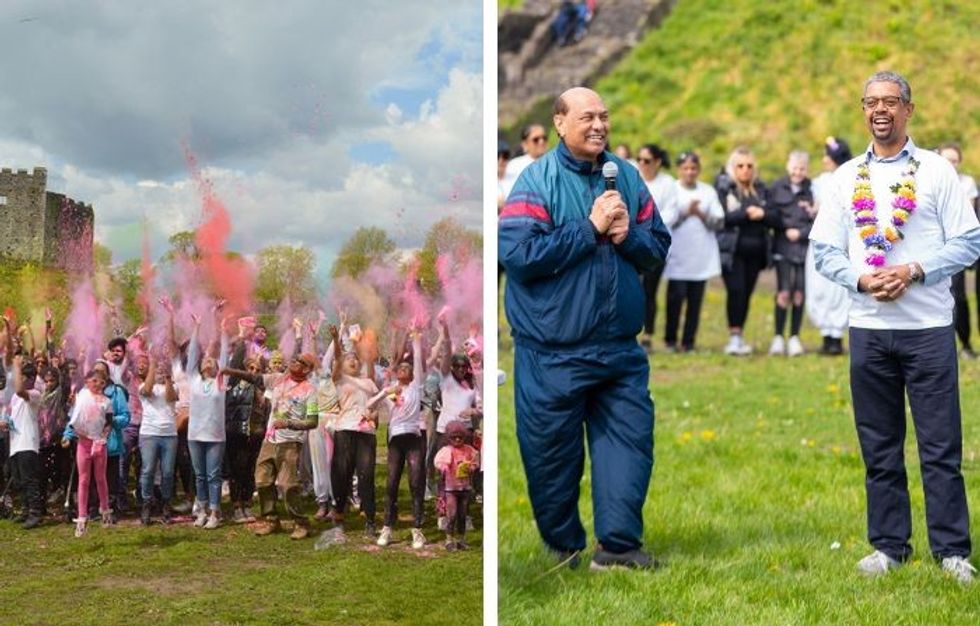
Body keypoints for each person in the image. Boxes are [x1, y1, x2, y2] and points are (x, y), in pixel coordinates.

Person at [811, 71, 980, 582]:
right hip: (868, 328)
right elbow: (824, 250)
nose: (880, 110)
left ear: (909, 109)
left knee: (940, 446)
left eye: (890, 101)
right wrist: (862, 280)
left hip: (928, 328)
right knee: (879, 445)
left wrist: (914, 270)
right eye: (871, 102)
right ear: (863, 110)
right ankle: (888, 546)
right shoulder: (845, 177)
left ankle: (951, 551)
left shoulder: (936, 171)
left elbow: (969, 242)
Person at [499, 86, 671, 569]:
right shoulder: (537, 182)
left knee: (629, 448)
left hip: (619, 350)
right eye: (587, 117)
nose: (599, 126)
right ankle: (564, 547)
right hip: (552, 354)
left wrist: (629, 236)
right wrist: (588, 229)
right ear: (559, 123)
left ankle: (618, 547)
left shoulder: (626, 177)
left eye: (604, 117)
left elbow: (658, 246)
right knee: (551, 459)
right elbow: (518, 255)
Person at [716, 146, 780, 355]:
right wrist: (746, 213)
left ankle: (739, 336)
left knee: (746, 293)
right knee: (736, 291)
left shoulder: (762, 190)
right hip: (732, 252)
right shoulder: (725, 189)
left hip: (756, 253)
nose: (745, 170)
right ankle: (734, 337)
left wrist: (762, 214)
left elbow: (776, 217)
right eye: (740, 166)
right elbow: (722, 218)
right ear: (732, 168)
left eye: (749, 166)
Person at [250, 351, 318, 540]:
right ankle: (271, 519)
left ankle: (301, 523)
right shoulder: (279, 381)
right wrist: (228, 371)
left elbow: (313, 422)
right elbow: (253, 379)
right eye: (294, 358)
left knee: (287, 485)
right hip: (270, 439)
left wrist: (288, 423)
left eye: (300, 361)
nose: (294, 361)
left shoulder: (310, 390)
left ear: (307, 369)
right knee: (262, 480)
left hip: (290, 441)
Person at [660, 151, 723, 352]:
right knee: (674, 300)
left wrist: (700, 213)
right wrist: (686, 213)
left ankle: (689, 342)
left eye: (693, 168)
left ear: (698, 170)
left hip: (700, 257)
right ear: (679, 169)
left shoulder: (708, 191)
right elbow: (664, 221)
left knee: (695, 303)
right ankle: (670, 340)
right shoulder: (672, 190)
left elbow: (719, 222)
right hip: (677, 256)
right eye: (685, 168)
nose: (689, 172)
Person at [376, 328, 427, 549]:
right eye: (401, 368)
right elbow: (371, 404)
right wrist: (385, 392)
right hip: (396, 440)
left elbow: (417, 360)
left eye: (408, 368)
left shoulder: (416, 387)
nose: (405, 369)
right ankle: (387, 527)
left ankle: (417, 529)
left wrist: (415, 338)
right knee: (391, 482)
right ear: (397, 373)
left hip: (414, 439)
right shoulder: (391, 391)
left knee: (416, 482)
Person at [806, 136, 853, 355]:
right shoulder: (818, 182)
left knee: (839, 288)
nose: (824, 159)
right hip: (821, 238)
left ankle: (836, 335)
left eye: (828, 155)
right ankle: (826, 332)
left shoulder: (850, 178)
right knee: (820, 286)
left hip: (842, 240)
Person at [768, 150, 815, 357]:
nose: (798, 172)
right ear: (788, 167)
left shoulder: (812, 189)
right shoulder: (777, 187)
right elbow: (770, 215)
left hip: (804, 248)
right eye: (795, 168)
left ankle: (795, 337)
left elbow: (818, 220)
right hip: (782, 247)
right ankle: (778, 337)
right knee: (784, 292)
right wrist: (785, 228)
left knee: (799, 293)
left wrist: (801, 233)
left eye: (802, 169)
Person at [186, 311, 230, 530]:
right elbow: (192, 354)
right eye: (206, 360)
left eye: (212, 360)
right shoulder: (193, 380)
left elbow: (225, 357)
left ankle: (215, 512)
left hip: (215, 436)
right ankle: (202, 511)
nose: (208, 361)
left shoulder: (221, 381)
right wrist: (197, 327)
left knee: (213, 475)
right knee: (200, 475)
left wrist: (222, 331)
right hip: (195, 434)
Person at [938, 142, 979, 359]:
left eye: (954, 160)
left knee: (959, 296)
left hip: (956, 246)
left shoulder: (966, 183)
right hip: (934, 246)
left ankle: (965, 343)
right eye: (947, 160)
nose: (951, 164)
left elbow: (967, 216)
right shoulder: (930, 180)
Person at [636, 143, 677, 350]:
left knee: (649, 291)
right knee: (632, 289)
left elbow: (671, 213)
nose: (642, 164)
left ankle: (648, 334)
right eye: (639, 159)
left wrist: (647, 221)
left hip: (656, 245)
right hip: (633, 242)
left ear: (657, 162)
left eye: (647, 160)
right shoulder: (633, 178)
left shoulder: (667, 183)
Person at [64, 371, 114, 537]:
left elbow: (109, 422)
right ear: (87, 382)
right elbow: (74, 415)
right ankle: (82, 516)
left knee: (100, 478)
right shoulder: (82, 396)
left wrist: (102, 439)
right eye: (94, 381)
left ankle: (105, 509)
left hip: (99, 443)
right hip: (84, 442)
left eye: (101, 382)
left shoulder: (107, 402)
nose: (97, 384)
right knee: (84, 479)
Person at [0, 355, 43, 529]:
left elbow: (18, 390)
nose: (21, 380)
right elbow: (13, 415)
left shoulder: (34, 394)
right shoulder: (15, 399)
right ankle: (25, 510)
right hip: (15, 443)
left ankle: (35, 512)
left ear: (31, 379)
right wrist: (5, 423)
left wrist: (16, 366)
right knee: (19, 480)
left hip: (27, 443)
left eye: (23, 377)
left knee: (29, 479)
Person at [137, 351, 179, 526]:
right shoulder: (144, 386)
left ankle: (166, 504)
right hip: (149, 434)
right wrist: (153, 365)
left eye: (163, 370)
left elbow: (170, 398)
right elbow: (147, 391)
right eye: (158, 371)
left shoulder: (173, 387)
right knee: (148, 470)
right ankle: (147, 503)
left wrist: (168, 378)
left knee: (168, 472)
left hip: (169, 435)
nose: (160, 372)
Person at [433, 420, 479, 551]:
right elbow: (438, 462)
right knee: (452, 514)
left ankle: (461, 539)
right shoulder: (446, 450)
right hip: (451, 489)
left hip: (464, 488)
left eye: (460, 437)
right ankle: (449, 539)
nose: (457, 439)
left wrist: (471, 467)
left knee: (463, 515)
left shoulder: (469, 450)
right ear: (449, 438)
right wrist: (444, 467)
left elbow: (475, 461)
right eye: (454, 437)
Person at [500, 123, 549, 201]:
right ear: (525, 144)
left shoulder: (554, 163)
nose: (541, 142)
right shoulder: (514, 165)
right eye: (536, 139)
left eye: (544, 138)